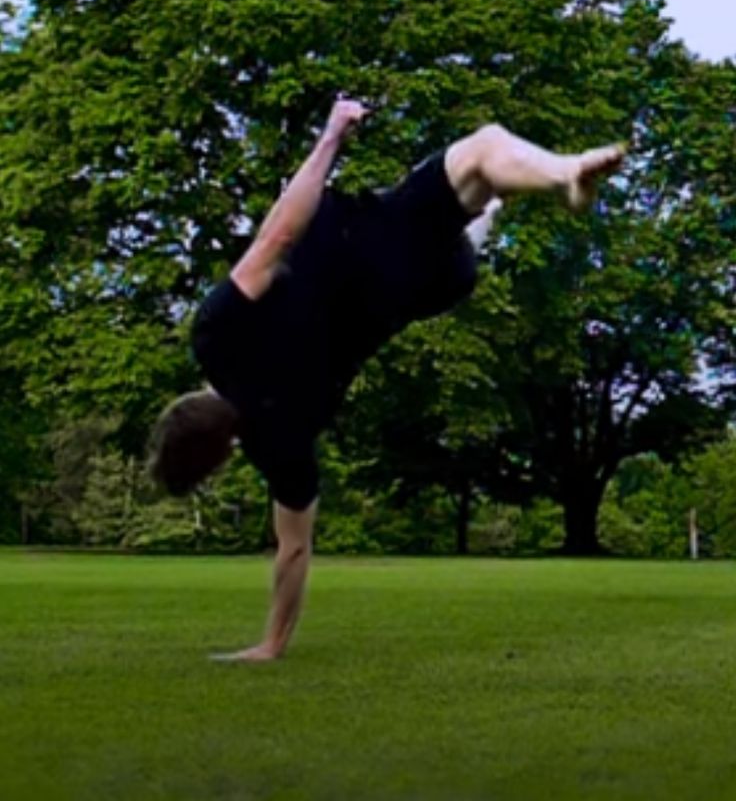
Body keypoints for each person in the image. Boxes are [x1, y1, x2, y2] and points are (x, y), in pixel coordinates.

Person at [150, 98, 624, 661]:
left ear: (220, 456)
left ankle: (529, 193)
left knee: (477, 198)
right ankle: (564, 173)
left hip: (426, 287)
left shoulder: (279, 444)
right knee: (484, 147)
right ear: (186, 403)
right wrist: (330, 137)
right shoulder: (215, 337)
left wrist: (270, 645)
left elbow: (293, 551)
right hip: (372, 237)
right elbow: (275, 238)